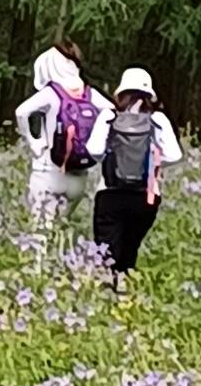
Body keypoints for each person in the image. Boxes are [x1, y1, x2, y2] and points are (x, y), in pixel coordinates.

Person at [88, 65, 182, 280]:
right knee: (129, 248)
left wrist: (111, 159)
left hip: (110, 192)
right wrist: (153, 163)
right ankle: (124, 288)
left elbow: (94, 149)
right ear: (150, 94)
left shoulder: (108, 116)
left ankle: (106, 293)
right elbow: (175, 155)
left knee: (105, 250)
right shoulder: (157, 119)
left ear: (120, 92)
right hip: (145, 195)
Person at [13, 43, 98, 240]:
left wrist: (33, 141)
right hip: (78, 175)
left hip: (48, 171)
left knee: (40, 232)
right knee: (60, 230)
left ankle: (38, 269)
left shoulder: (52, 93)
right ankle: (61, 263)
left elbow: (21, 112)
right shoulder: (89, 94)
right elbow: (112, 112)